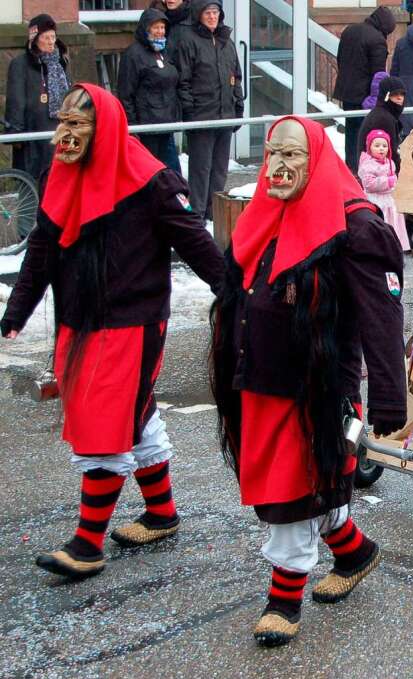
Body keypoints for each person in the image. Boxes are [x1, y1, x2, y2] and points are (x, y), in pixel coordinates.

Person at [1, 84, 224, 578]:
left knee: (105, 423)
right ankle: (161, 514)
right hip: (78, 321)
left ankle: (87, 543)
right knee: (136, 415)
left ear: (103, 128)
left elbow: (195, 242)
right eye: (61, 122)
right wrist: (16, 311)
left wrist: (237, 295)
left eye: (76, 124)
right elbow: (42, 249)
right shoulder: (59, 174)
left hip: (132, 321)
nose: (65, 133)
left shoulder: (152, 181)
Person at [211, 117, 406, 647]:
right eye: (271, 154)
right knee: (298, 488)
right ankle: (355, 551)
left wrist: (389, 396)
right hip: (261, 380)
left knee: (292, 493)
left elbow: (382, 315)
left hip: (317, 392)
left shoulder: (356, 227)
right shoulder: (262, 215)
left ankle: (284, 599)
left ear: (316, 160)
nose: (276, 167)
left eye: (291, 157)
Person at [175, 0, 243, 222]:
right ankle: (198, 215)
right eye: (208, 13)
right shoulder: (189, 41)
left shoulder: (226, 41)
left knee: (220, 168)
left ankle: (216, 213)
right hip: (202, 116)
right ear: (199, 15)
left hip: (225, 114)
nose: (212, 17)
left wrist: (238, 107)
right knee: (200, 169)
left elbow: (236, 76)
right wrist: (189, 111)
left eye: (215, 12)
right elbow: (183, 80)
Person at [4, 14, 71, 184]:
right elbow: (15, 101)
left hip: (61, 131)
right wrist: (15, 133)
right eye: (45, 37)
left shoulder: (61, 62)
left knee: (63, 181)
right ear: (34, 39)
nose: (50, 41)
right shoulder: (20, 64)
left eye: (53, 37)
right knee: (33, 184)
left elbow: (70, 97)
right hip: (34, 135)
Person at [118, 8, 182, 174]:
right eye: (155, 28)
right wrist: (132, 128)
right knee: (149, 175)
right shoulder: (133, 55)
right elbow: (126, 94)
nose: (160, 32)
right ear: (146, 29)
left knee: (171, 174)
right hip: (145, 129)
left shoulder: (165, 53)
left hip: (166, 125)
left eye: (162, 28)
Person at [334, 6, 396, 173]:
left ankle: (351, 169)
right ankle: (363, 172)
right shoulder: (377, 40)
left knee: (351, 132)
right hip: (365, 97)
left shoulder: (349, 30)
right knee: (365, 135)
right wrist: (376, 99)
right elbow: (379, 75)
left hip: (347, 92)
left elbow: (340, 58)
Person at [359, 130, 408, 252]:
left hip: (389, 200)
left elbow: (393, 178)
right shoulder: (367, 165)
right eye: (377, 146)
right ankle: (378, 251)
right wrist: (388, 181)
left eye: (384, 146)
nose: (381, 149)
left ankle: (394, 250)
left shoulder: (390, 162)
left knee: (394, 226)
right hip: (376, 201)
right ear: (369, 147)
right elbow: (369, 184)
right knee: (380, 227)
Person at [357, 77, 406, 173]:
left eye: (402, 94)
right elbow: (390, 152)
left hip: (377, 172)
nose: (400, 97)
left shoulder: (384, 114)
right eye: (394, 94)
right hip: (378, 175)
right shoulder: (383, 118)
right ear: (386, 96)